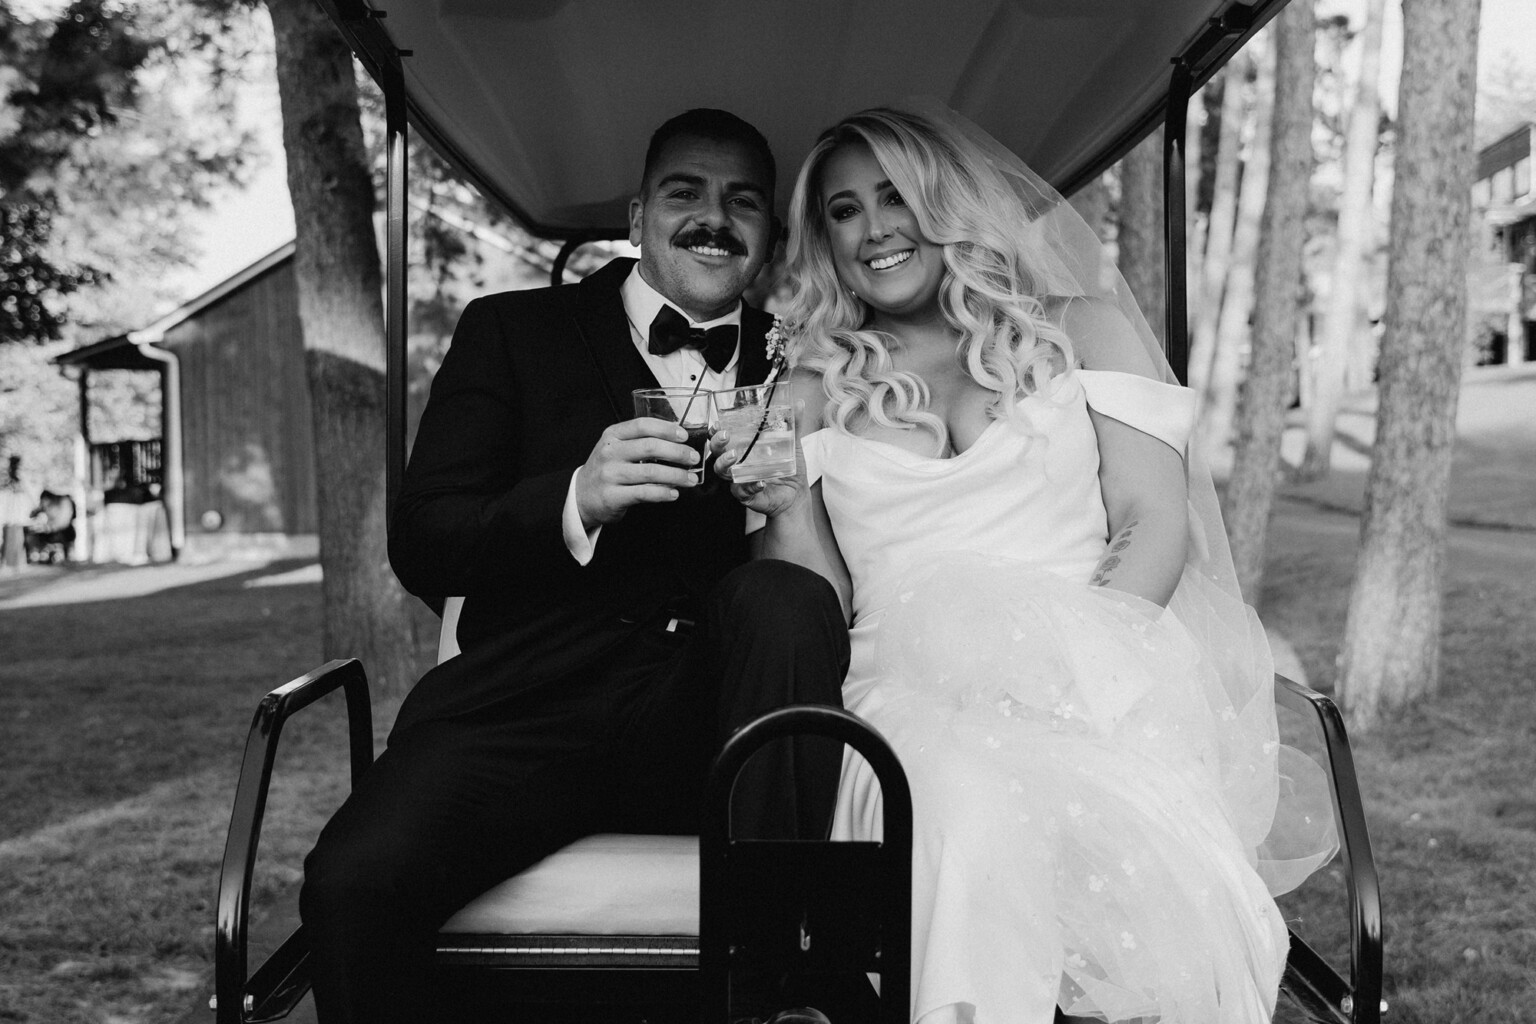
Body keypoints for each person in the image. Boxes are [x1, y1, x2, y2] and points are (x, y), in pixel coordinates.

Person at [718, 105, 1338, 1024]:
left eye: (895, 195)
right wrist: (768, 502)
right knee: (967, 803)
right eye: (844, 211)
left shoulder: (1083, 333)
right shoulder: (808, 388)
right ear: (823, 241)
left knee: (1133, 853)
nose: (874, 228)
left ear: (948, 203)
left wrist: (1058, 671)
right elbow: (820, 595)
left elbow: (1151, 522)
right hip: (907, 695)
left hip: (1096, 662)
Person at [299, 108, 849, 1024]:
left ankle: (769, 983)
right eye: (686, 193)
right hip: (526, 710)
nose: (714, 216)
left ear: (772, 238)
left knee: (781, 595)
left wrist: (784, 499)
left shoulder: (809, 362)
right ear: (636, 218)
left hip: (716, 725)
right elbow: (425, 536)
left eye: (742, 201)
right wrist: (576, 498)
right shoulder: (512, 331)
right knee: (355, 882)